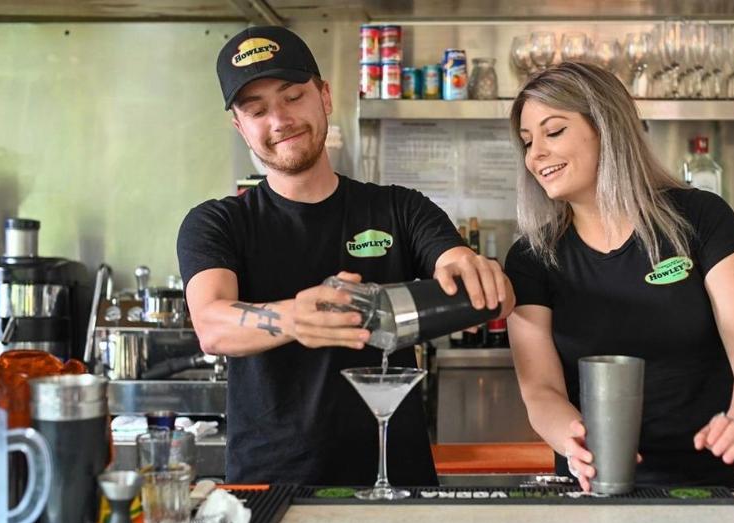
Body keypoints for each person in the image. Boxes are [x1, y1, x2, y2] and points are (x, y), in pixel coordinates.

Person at [177, 25, 513, 485]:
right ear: (240, 127)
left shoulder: (400, 208)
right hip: (274, 487)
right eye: (257, 110)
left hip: (397, 486)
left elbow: (458, 267)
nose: (280, 119)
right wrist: (294, 318)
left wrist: (470, 271)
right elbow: (211, 324)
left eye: (293, 96)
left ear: (325, 96)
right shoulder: (218, 222)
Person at [504, 62, 734, 491]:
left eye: (553, 131)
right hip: (595, 489)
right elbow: (540, 390)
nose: (535, 154)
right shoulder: (531, 258)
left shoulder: (700, 218)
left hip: (717, 488)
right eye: (527, 141)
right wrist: (576, 442)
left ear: (606, 128)